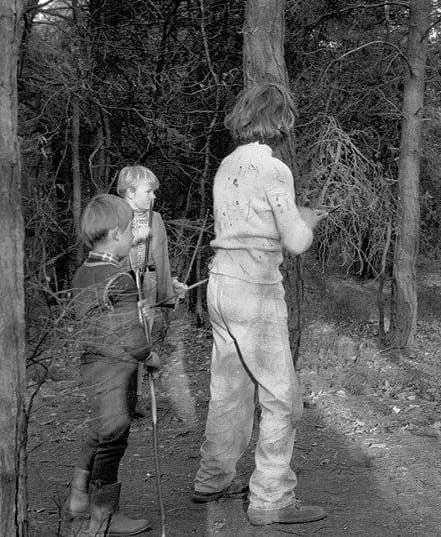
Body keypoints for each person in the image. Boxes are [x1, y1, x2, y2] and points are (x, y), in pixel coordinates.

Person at [192, 79, 328, 526]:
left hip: (220, 285)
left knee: (229, 391)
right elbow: (295, 241)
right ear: (280, 119)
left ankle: (213, 479)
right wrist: (308, 218)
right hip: (254, 288)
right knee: (281, 395)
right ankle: (272, 498)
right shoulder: (273, 169)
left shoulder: (227, 165)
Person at [66, 194, 161, 536]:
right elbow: (131, 337)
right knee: (114, 437)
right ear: (116, 234)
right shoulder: (119, 281)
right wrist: (150, 356)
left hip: (91, 364)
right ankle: (103, 516)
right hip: (116, 369)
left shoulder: (82, 273)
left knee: (100, 428)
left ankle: (78, 492)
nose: (133, 240)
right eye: (130, 234)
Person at [116, 165, 187, 417]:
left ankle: (134, 401)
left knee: (143, 340)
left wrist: (170, 288)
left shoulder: (156, 219)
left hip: (149, 286)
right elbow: (109, 257)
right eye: (149, 191)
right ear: (130, 193)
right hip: (124, 290)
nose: (154, 197)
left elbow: (162, 258)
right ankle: (121, 403)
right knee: (126, 343)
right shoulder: (115, 218)